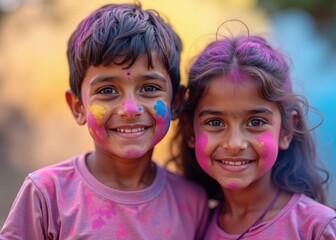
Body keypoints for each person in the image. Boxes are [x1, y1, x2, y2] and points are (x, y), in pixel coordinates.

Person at [0, 3, 209, 240]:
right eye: (108, 90)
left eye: (149, 88)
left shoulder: (192, 202)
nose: (130, 109)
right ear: (78, 107)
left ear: (175, 102)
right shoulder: (47, 195)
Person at [171, 27, 336, 239]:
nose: (235, 143)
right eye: (216, 122)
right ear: (191, 131)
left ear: (286, 131)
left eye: (255, 122)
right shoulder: (194, 226)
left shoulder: (314, 228)